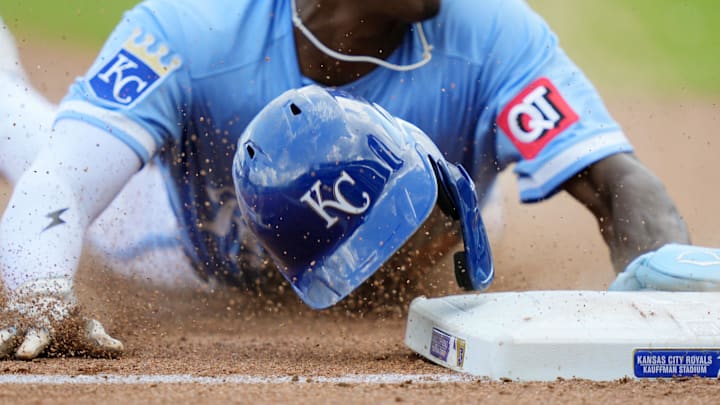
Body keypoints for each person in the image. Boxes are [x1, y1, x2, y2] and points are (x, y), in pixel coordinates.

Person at [0, 0, 692, 360]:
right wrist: (37, 291)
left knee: (452, 184)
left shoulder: (493, 31)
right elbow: (62, 176)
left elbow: (618, 183)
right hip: (191, 247)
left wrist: (672, 302)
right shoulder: (193, 27)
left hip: (444, 221)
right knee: (27, 131)